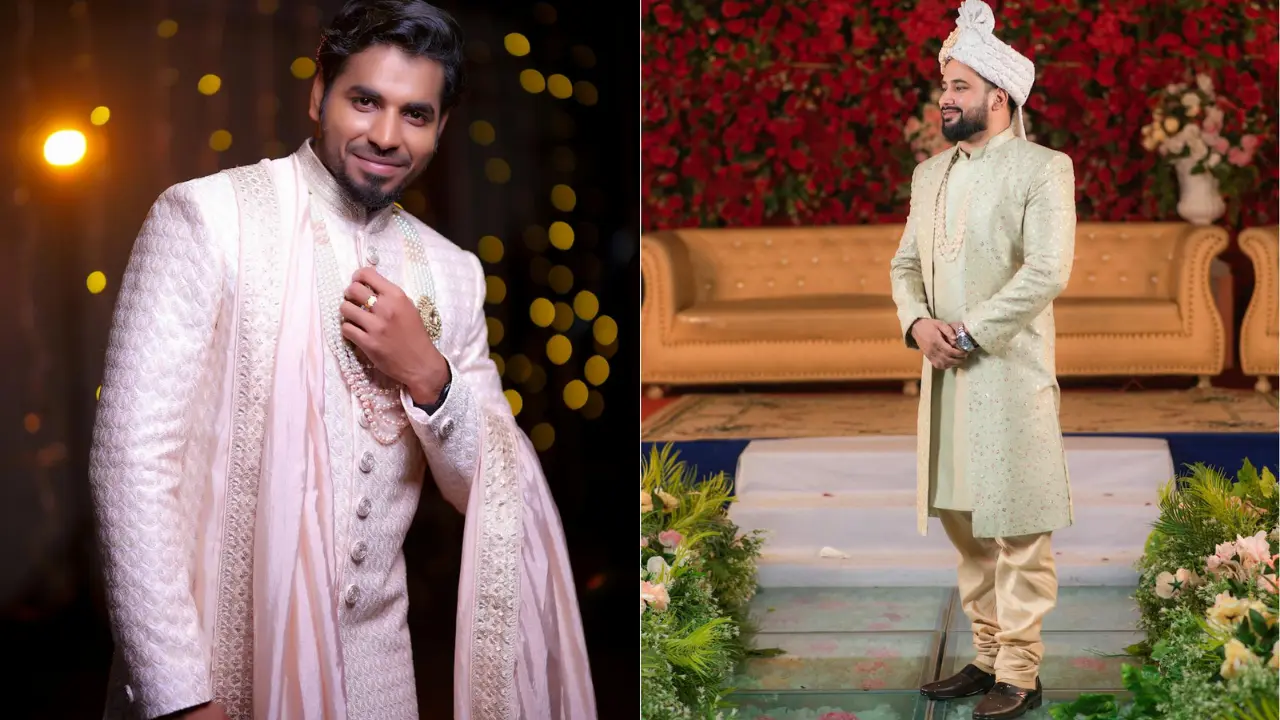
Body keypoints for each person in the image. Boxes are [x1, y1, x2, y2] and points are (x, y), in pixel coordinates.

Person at [88, 1, 596, 718]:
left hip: (378, 679)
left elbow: (493, 484)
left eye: (415, 115)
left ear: (441, 127)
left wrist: (429, 375)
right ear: (318, 91)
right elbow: (131, 464)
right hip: (226, 668)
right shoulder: (207, 219)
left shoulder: (451, 273)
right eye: (365, 101)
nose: (386, 136)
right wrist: (179, 695)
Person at [888, 1, 1076, 718]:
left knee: (1019, 526)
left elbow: (1047, 272)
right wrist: (917, 325)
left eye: (960, 85)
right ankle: (987, 654)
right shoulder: (930, 176)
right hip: (943, 376)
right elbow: (905, 265)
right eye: (944, 83)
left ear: (999, 97)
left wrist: (966, 331)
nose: (946, 97)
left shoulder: (1042, 168)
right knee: (965, 522)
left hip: (1006, 369)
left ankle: (1021, 674)